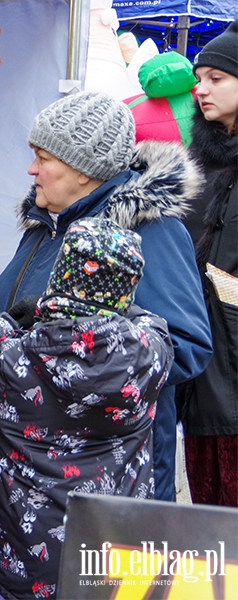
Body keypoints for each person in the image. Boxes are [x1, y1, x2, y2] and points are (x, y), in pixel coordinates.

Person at [0, 90, 212, 585]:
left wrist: (61, 366)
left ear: (84, 169)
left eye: (43, 157)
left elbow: (186, 346)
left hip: (99, 478)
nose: (31, 170)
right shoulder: (43, 226)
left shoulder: (148, 231)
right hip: (24, 473)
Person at [0, 217, 173, 600]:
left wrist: (2, 322)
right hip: (121, 560)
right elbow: (153, 323)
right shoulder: (149, 356)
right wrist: (114, 310)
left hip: (31, 565)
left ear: (59, 275)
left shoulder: (15, 362)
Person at [178, 20, 238, 507]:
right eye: (200, 78)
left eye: (217, 78)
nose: (201, 89)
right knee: (209, 516)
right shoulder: (197, 160)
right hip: (204, 358)